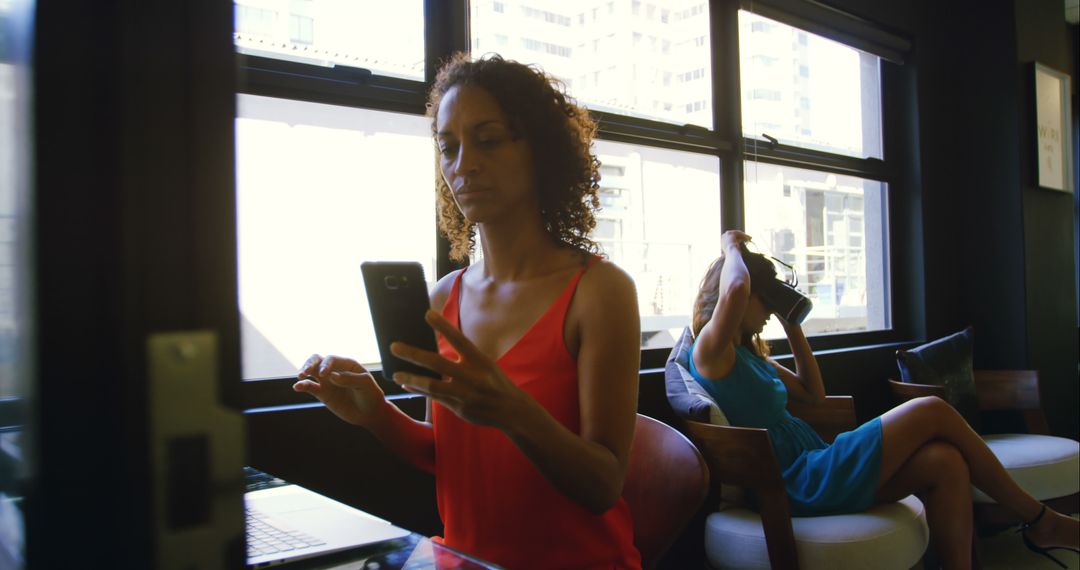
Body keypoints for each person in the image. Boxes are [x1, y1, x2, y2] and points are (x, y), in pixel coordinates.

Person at [293, 52, 643, 570]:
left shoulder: (599, 291)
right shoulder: (443, 298)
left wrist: (514, 411)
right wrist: (376, 416)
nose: (464, 164)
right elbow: (446, 457)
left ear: (540, 151)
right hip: (462, 560)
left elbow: (602, 484)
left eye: (489, 139)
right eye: (448, 147)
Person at [688, 229, 1079, 569]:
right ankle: (1041, 518)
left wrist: (793, 324)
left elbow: (813, 392)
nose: (770, 312)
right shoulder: (709, 352)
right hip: (797, 481)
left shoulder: (749, 358)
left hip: (818, 464)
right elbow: (737, 289)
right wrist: (730, 248)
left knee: (946, 462)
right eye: (767, 300)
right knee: (931, 409)